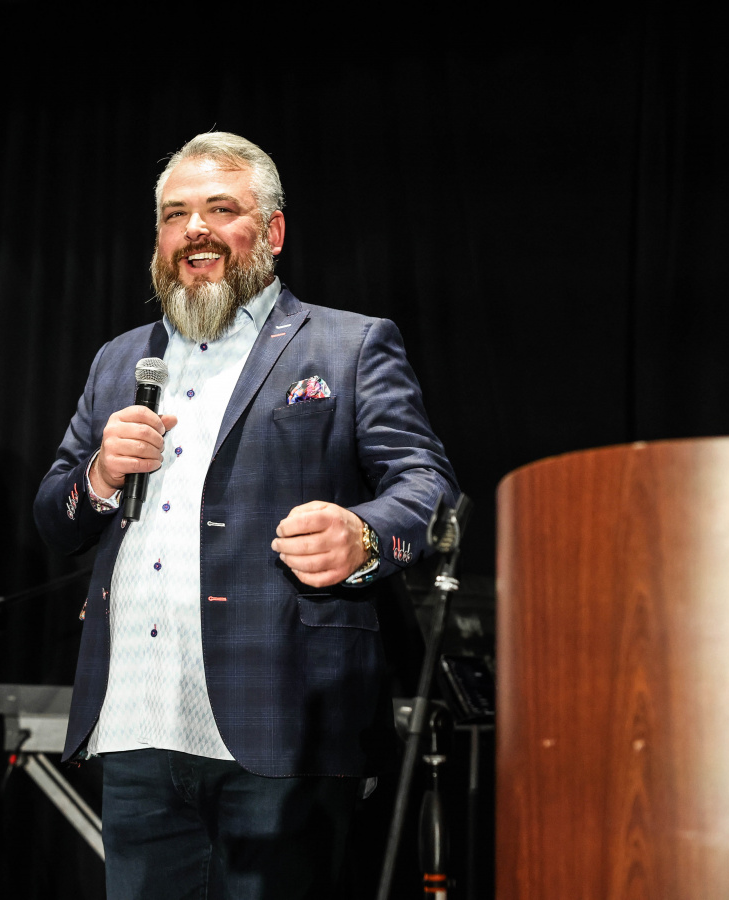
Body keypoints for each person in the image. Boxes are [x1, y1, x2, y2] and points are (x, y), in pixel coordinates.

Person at [33, 133, 459, 898]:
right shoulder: (119, 360)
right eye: (175, 215)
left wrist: (364, 536)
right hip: (134, 723)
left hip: (283, 720)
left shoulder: (349, 345)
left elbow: (429, 489)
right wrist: (98, 475)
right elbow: (54, 518)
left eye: (220, 208)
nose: (193, 228)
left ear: (272, 231)